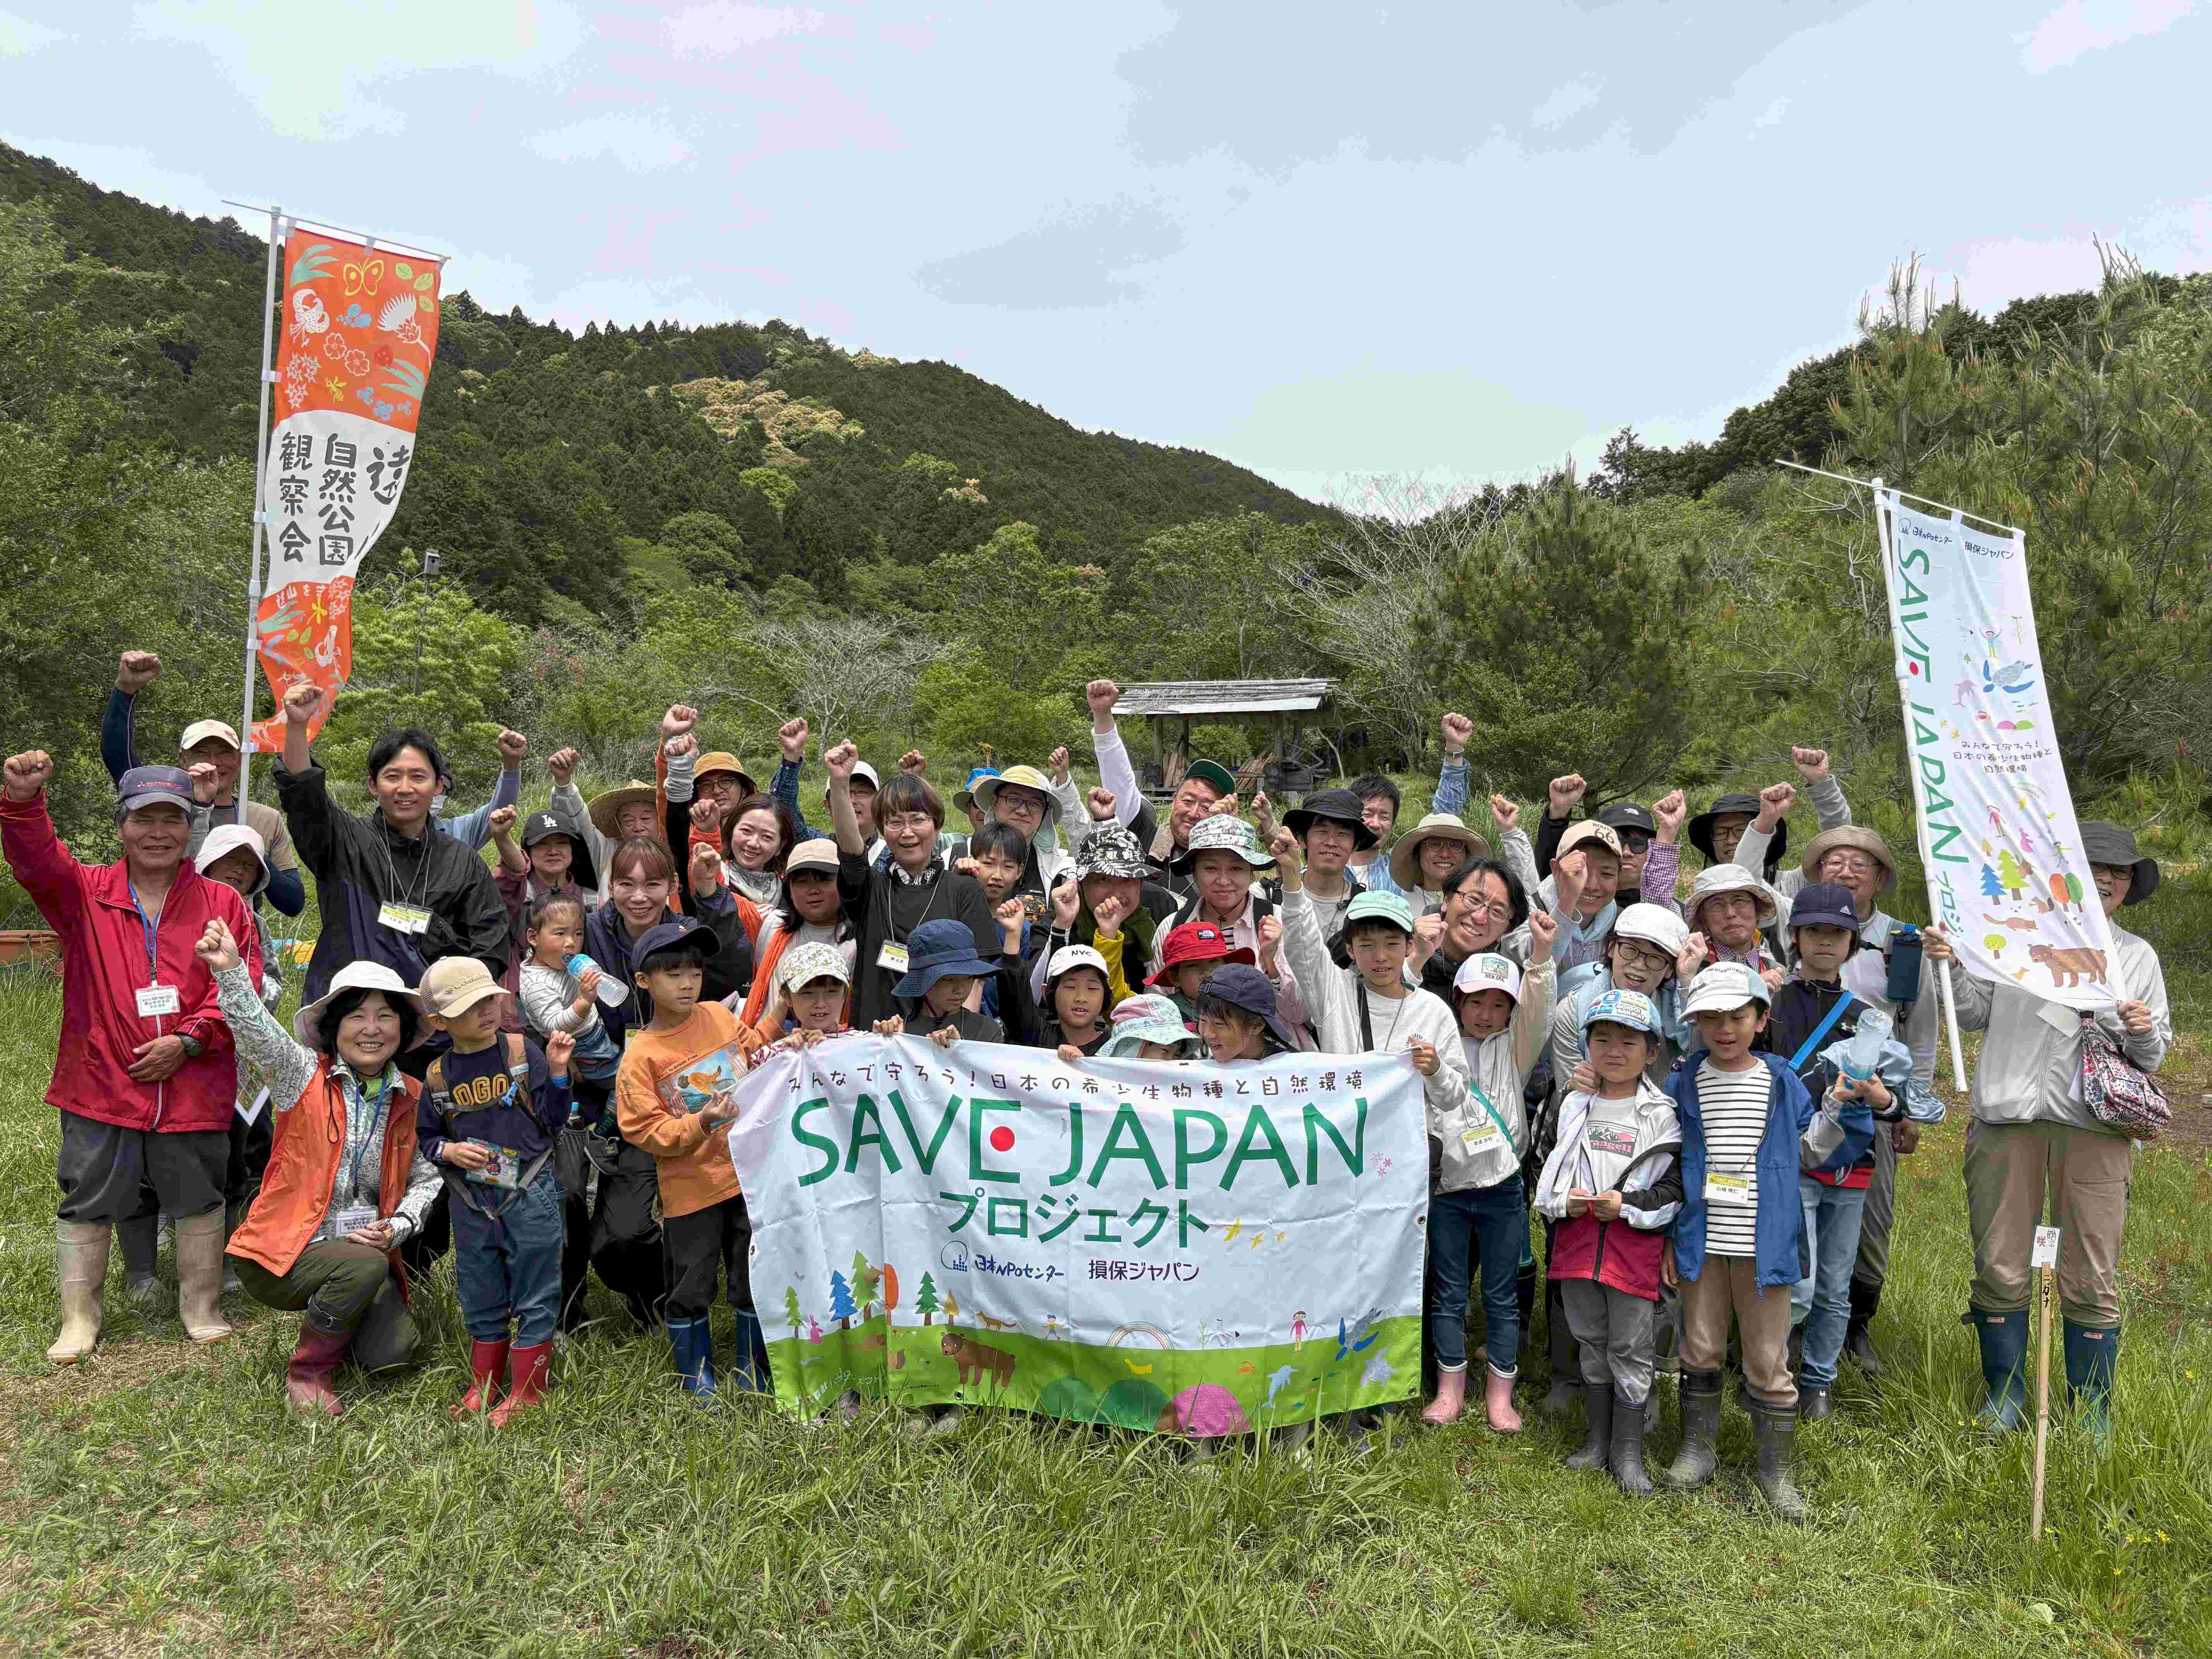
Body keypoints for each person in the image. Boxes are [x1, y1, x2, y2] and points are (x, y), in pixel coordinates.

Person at [4, 753, 261, 1363]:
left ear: (190, 829)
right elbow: (35, 861)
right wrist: (21, 801)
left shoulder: (224, 902)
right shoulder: (84, 893)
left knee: (200, 1193)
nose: (158, 832)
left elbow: (240, 983)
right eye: (144, 818)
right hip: (99, 1082)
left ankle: (200, 1306)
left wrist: (191, 1040)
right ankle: (79, 1319)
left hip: (195, 1083)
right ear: (122, 826)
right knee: (87, 1196)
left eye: (173, 819)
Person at [1925, 822, 2170, 1445]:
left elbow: (2155, 1054)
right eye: (2094, 868)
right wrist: (1950, 965)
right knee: (2001, 1264)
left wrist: (2140, 1029)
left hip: (2096, 1128)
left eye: (2119, 872)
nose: (2108, 880)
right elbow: (1974, 1011)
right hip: (2006, 1122)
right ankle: (2005, 1393)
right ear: (2064, 876)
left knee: (2091, 1269)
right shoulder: (2009, 940)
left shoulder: (2135, 957)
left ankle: (2091, 1409)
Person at [1660, 963, 1871, 1523]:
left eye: (1737, 1017)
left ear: (1761, 1020)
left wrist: (1836, 1110)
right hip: (1700, 1244)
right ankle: (1696, 1450)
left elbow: (1811, 1152)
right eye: (1711, 1019)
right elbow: (1668, 1161)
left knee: (1768, 1359)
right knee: (1699, 1347)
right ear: (1697, 1023)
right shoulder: (1683, 1081)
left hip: (1766, 1245)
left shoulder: (1780, 1081)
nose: (1724, 1029)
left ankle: (1776, 1473)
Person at [200, 924, 440, 1415]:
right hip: (283, 1251)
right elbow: (258, 1036)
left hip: (361, 1252)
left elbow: (428, 1179)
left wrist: (396, 1227)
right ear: (335, 1027)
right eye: (357, 1016)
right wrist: (230, 972)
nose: (371, 1029)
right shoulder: (301, 1073)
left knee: (394, 1358)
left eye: (384, 1016)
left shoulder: (414, 1098)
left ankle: (339, 1318)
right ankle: (309, 1372)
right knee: (365, 1266)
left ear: (402, 1028)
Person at [1752, 823, 1938, 1376]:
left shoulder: (1896, 961)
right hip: (1788, 1146)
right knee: (1798, 1270)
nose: (1826, 941)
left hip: (1855, 1148)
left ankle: (1836, 1357)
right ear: (1797, 936)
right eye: (1814, 932)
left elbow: (1920, 1037)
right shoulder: (1771, 1002)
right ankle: (1775, 1364)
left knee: (1855, 1251)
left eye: (1861, 864)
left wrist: (1906, 1106)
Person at [270, 681, 510, 1007]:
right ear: (373, 785)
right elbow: (305, 798)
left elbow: (490, 941)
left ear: (438, 786)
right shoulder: (344, 841)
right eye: (393, 776)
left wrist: (459, 1005)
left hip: (433, 1025)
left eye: (418, 777)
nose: (405, 788)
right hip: (352, 1018)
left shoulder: (463, 861)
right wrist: (297, 727)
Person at [1531, 989, 1683, 1496]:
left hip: (1631, 1250)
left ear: (1652, 1051)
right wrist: (1562, 1201)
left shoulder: (1661, 1113)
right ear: (1586, 1046)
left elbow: (1672, 1190)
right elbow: (1547, 1166)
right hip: (1578, 1246)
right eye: (1602, 1040)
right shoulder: (1574, 1104)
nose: (1614, 1051)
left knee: (1632, 1347)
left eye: (1628, 1041)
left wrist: (1629, 1205)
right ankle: (1597, 1444)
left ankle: (1629, 1455)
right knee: (1591, 1342)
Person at [614, 915, 768, 1399]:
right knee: (691, 1281)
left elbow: (755, 1051)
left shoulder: (717, 1017)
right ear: (644, 981)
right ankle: (696, 1374)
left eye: (695, 973)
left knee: (751, 1272)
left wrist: (787, 1034)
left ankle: (752, 1366)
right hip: (691, 1191)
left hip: (747, 1175)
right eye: (673, 974)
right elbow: (645, 1130)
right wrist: (702, 1122)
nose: (687, 983)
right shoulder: (641, 1056)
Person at [416, 956, 573, 1425]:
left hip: (529, 1187)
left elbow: (553, 1120)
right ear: (440, 1022)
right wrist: (448, 1151)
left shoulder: (522, 1053)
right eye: (470, 1008)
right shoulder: (438, 1076)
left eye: (489, 1000)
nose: (485, 1012)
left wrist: (561, 1074)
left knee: (536, 1285)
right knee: (479, 1287)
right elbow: (428, 1137)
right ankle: (483, 1384)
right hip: (472, 1199)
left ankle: (529, 1391)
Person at [1422, 917, 1558, 1431]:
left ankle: (1501, 1397)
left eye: (1499, 1003)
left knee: (1501, 1293)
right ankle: (1449, 1391)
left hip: (1502, 1190)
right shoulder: (1439, 1045)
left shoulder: (1516, 1046)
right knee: (1449, 1291)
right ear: (1457, 1001)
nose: (1487, 1013)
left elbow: (1539, 1008)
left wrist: (1542, 956)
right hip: (1450, 1190)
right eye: (1476, 1001)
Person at [101, 649, 305, 915]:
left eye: (224, 754)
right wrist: (126, 690)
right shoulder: (164, 805)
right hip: (167, 923)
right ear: (183, 760)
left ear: (239, 761)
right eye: (201, 753)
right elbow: (117, 754)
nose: (214, 762)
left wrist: (249, 851)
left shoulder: (264, 819)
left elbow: (293, 902)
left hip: (238, 937)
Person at [826, 744, 1002, 1031]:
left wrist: (959, 1032)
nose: (908, 833)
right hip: (876, 1039)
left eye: (918, 820)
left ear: (936, 825)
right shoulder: (870, 887)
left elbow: (975, 979)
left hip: (941, 1045)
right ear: (883, 831)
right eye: (895, 823)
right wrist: (839, 782)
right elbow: (851, 852)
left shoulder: (964, 890)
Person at [515, 890, 622, 1332]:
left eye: (577, 933)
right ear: (533, 938)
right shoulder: (535, 982)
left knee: (622, 1089)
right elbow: (554, 1026)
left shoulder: (569, 967)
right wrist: (583, 1000)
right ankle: (563, 1312)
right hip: (570, 1083)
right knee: (569, 1195)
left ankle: (608, 1130)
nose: (571, 943)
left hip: (600, 1057)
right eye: (559, 933)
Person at [737, 838, 856, 1032]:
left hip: (830, 1050)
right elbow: (725, 902)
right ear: (789, 890)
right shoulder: (774, 926)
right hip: (770, 1051)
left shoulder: (857, 941)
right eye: (802, 882)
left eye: (824, 879)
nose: (813, 890)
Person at [1272, 788, 1376, 939]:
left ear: (1355, 846)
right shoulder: (1269, 897)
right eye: (1322, 832)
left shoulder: (1366, 908)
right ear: (1302, 839)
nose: (1331, 842)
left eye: (1343, 834)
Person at [1146, 920, 1254, 1029]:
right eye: (1193, 965)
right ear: (1174, 977)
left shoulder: (1243, 1006)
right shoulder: (1166, 1015)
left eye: (1214, 961)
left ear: (1226, 965)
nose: (1207, 973)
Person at [1097, 993, 1206, 1060]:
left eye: (1177, 1055)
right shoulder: (1103, 1087)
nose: (1172, 1061)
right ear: (1132, 1048)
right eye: (1165, 1050)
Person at [1345, 772, 1403, 895]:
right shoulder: (1327, 870)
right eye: (1367, 815)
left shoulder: (1399, 876)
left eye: (1384, 817)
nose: (1376, 824)